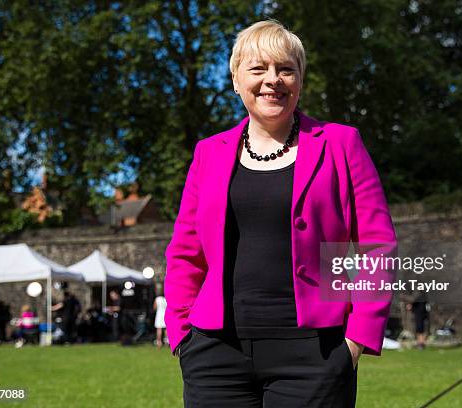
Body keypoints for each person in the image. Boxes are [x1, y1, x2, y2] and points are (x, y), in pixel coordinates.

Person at [164, 20, 396, 407]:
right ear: (236, 79)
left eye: (286, 69)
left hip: (316, 355)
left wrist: (357, 339)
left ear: (300, 80)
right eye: (258, 69)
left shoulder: (342, 143)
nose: (273, 80)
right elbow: (186, 251)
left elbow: (376, 246)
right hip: (214, 353)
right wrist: (182, 333)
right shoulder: (209, 152)